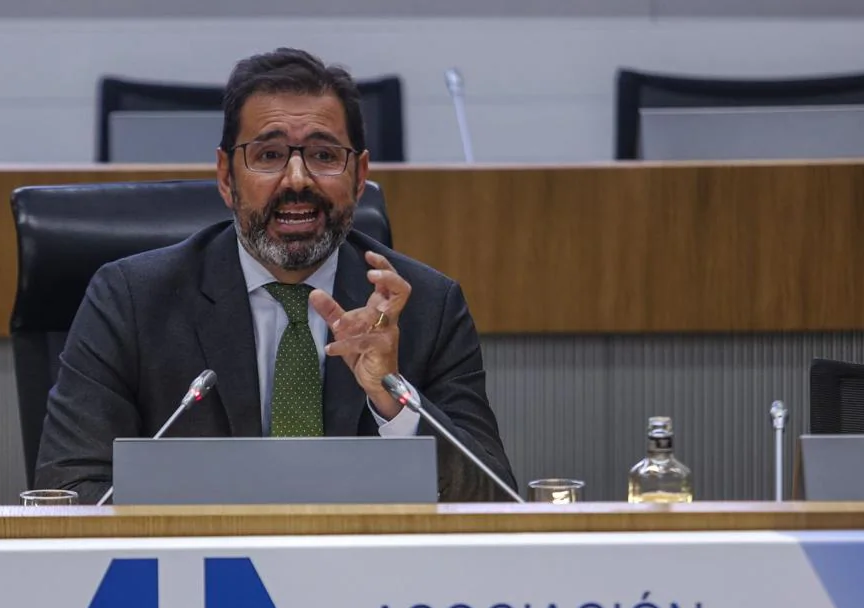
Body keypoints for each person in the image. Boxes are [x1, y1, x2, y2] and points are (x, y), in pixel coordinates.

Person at [35, 47, 516, 503]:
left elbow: (495, 499)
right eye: (268, 156)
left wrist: (392, 400)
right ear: (226, 176)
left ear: (359, 174)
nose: (298, 180)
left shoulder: (428, 306)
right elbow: (69, 487)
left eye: (325, 156)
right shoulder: (131, 301)